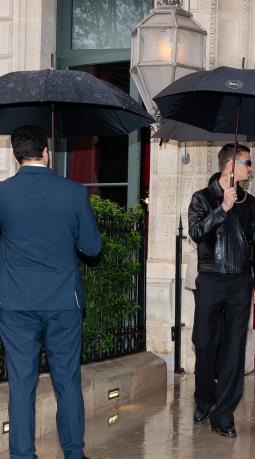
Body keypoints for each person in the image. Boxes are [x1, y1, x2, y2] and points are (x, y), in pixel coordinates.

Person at [0, 125, 102, 459]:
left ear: (16, 155)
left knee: (21, 383)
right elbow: (92, 247)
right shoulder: (73, 192)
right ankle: (74, 453)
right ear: (46, 152)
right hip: (62, 301)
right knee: (67, 380)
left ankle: (22, 455)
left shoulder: (3, 194)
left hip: (15, 302)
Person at [188, 143, 255, 438]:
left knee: (234, 349)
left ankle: (223, 415)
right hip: (211, 279)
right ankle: (204, 399)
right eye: (247, 162)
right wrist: (222, 209)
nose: (251, 168)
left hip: (240, 283)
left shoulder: (251, 203)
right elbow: (196, 232)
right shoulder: (202, 198)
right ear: (230, 166)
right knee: (205, 344)